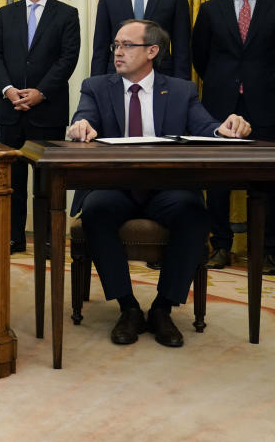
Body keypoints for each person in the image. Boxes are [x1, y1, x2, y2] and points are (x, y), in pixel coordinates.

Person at [67, 19, 251, 347]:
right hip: (117, 187)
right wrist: (80, 126)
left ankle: (163, 308)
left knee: (193, 211)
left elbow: (205, 126)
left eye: (127, 45)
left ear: (152, 51)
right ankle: (128, 307)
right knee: (95, 210)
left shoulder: (180, 90)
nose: (117, 53)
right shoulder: (96, 86)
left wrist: (226, 129)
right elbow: (85, 117)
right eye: (116, 45)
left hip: (167, 188)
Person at [0, 0, 80, 254]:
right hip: (10, 108)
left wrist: (41, 92)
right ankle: (14, 237)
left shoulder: (67, 14)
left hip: (48, 110)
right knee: (12, 181)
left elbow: (68, 59)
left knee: (46, 182)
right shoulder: (5, 14)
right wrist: (8, 89)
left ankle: (46, 237)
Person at [192, 0, 275, 273]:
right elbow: (200, 57)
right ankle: (221, 246)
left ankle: (267, 250)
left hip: (267, 104)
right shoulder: (211, 9)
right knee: (218, 181)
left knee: (269, 182)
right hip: (220, 106)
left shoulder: (273, 4)